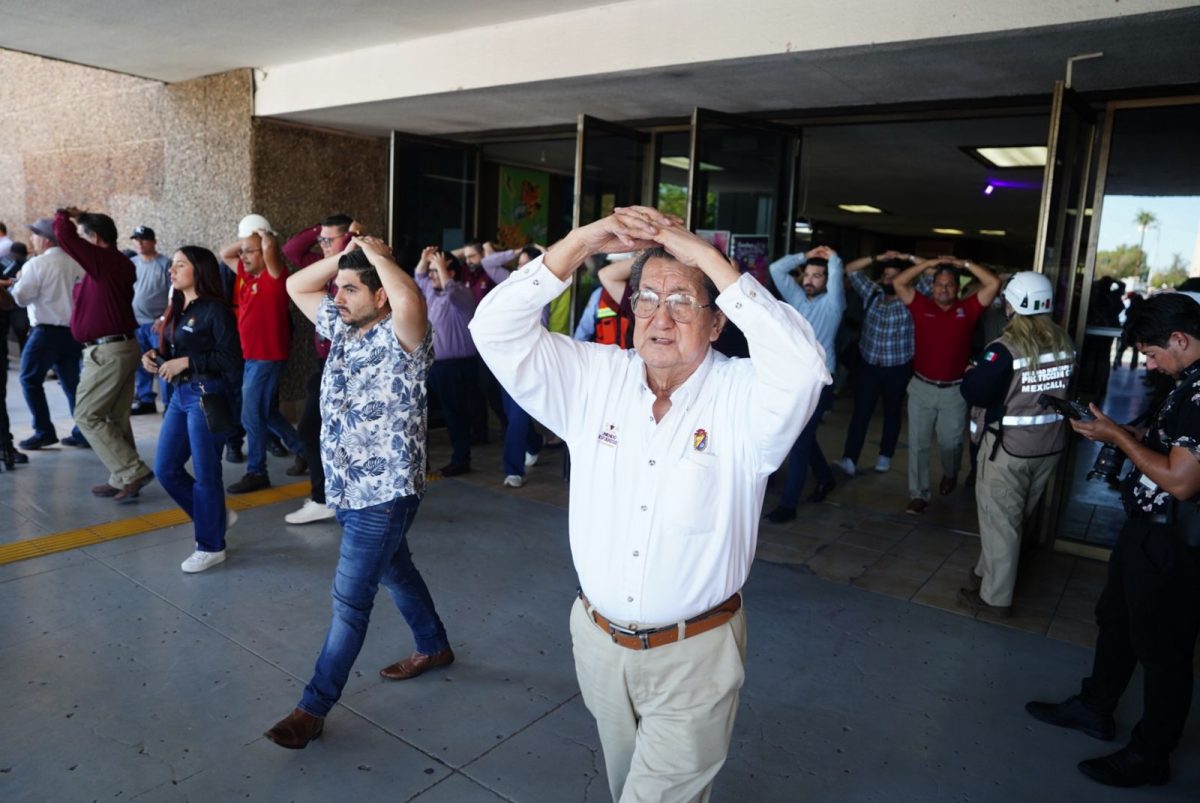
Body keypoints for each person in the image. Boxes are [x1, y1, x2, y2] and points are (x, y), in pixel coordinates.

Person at [471, 206, 828, 801]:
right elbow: (495, 330)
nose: (661, 318)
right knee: (624, 783)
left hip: (695, 656)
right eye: (647, 299)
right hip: (599, 644)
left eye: (684, 301)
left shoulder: (746, 398)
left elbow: (805, 366)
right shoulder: (594, 379)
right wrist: (582, 241)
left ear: (717, 324)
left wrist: (708, 257)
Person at [265, 236, 452, 750]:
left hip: (386, 492)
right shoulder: (340, 330)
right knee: (398, 570)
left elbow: (410, 299)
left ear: (381, 295)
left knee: (350, 601)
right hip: (346, 489)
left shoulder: (404, 335)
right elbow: (294, 283)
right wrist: (347, 251)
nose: (337, 296)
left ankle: (312, 707)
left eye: (350, 288)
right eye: (338, 289)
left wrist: (380, 258)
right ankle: (433, 645)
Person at [1025, 292, 1200, 789]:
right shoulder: (1186, 381)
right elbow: (1169, 450)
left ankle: (1150, 755)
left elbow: (1184, 481)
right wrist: (1114, 431)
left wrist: (1118, 438)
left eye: (1151, 353)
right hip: (1148, 528)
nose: (1149, 363)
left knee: (1163, 651)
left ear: (1181, 339)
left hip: (1176, 542)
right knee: (1118, 619)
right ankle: (1095, 706)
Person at [957, 272, 1075, 616]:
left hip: (1007, 450)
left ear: (1013, 305)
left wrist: (972, 373)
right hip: (1049, 446)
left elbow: (976, 392)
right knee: (1012, 519)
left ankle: (994, 598)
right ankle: (984, 572)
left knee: (1000, 521)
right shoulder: (1064, 343)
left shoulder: (1004, 350)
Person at [142, 247, 243, 572]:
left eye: (180, 265)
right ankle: (215, 517)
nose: (172, 270)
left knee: (206, 474)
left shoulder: (216, 310)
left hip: (206, 395)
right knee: (166, 469)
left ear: (198, 269)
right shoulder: (177, 306)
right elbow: (174, 349)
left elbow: (231, 361)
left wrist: (188, 361)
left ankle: (211, 545)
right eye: (171, 265)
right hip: (179, 395)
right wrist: (155, 359)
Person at [55, 208, 155, 501]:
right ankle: (123, 475)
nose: (80, 247)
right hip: (119, 347)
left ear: (95, 238)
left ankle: (132, 469)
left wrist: (65, 215)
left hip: (108, 351)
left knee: (86, 414)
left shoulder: (105, 260)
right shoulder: (112, 264)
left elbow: (64, 236)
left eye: (85, 238)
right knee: (115, 417)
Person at [893, 256, 1000, 514]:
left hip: (954, 390)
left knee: (950, 443)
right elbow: (899, 281)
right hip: (921, 387)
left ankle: (951, 472)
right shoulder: (920, 305)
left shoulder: (969, 308)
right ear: (931, 286)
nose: (944, 289)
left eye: (950, 284)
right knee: (918, 444)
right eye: (939, 284)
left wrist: (964, 264)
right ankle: (919, 494)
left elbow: (993, 283)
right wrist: (929, 263)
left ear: (957, 286)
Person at [281, 214, 364, 525]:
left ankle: (325, 496)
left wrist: (347, 246)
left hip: (346, 363)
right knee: (316, 429)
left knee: (316, 428)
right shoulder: (324, 264)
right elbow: (292, 251)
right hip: (324, 362)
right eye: (321, 241)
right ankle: (328, 494)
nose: (323, 245)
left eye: (329, 240)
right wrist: (323, 234)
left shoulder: (356, 268)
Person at [220, 215, 305, 494]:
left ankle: (257, 471)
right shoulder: (246, 276)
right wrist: (248, 240)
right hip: (252, 357)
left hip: (267, 357)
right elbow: (225, 253)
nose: (242, 256)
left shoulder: (276, 277)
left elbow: (269, 249)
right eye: (242, 251)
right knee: (265, 412)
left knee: (250, 414)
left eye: (249, 251)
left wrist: (264, 234)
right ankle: (304, 451)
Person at [764, 246, 845, 523]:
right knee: (803, 436)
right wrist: (804, 255)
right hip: (793, 380)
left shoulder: (834, 305)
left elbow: (836, 277)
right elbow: (776, 269)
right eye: (807, 275)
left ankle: (789, 504)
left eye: (818, 276)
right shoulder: (797, 299)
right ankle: (825, 477)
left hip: (820, 383)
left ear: (826, 280)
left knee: (798, 441)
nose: (810, 280)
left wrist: (832, 259)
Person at [834, 251, 920, 475]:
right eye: (885, 275)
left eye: (894, 276)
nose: (887, 280)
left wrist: (909, 259)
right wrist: (876, 258)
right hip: (869, 364)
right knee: (861, 412)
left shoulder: (913, 297)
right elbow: (850, 269)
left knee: (892, 412)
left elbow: (930, 272)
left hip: (898, 366)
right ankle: (850, 459)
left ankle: (885, 455)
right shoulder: (873, 293)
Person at [9, 217, 86, 451]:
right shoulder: (78, 263)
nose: (32, 239)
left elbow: (20, 298)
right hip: (73, 332)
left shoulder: (36, 264)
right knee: (72, 384)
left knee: (29, 380)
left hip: (45, 332)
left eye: (34, 235)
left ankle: (44, 432)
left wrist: (16, 282)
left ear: (45, 240)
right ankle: (83, 432)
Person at [415, 247, 477, 476]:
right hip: (434, 365)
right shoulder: (431, 293)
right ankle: (421, 460)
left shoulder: (462, 294)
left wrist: (442, 267)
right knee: (419, 412)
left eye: (436, 271)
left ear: (450, 272)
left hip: (457, 366)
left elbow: (451, 289)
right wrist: (425, 260)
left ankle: (461, 460)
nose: (431, 276)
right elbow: (419, 277)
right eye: (432, 271)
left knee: (456, 416)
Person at [129, 226, 173, 415]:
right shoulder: (131, 263)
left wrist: (164, 317)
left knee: (162, 362)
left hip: (157, 324)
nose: (139, 243)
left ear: (154, 241)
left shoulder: (165, 263)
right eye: (136, 239)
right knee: (141, 364)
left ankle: (170, 404)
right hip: (135, 322)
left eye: (144, 239)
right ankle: (146, 399)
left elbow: (174, 294)